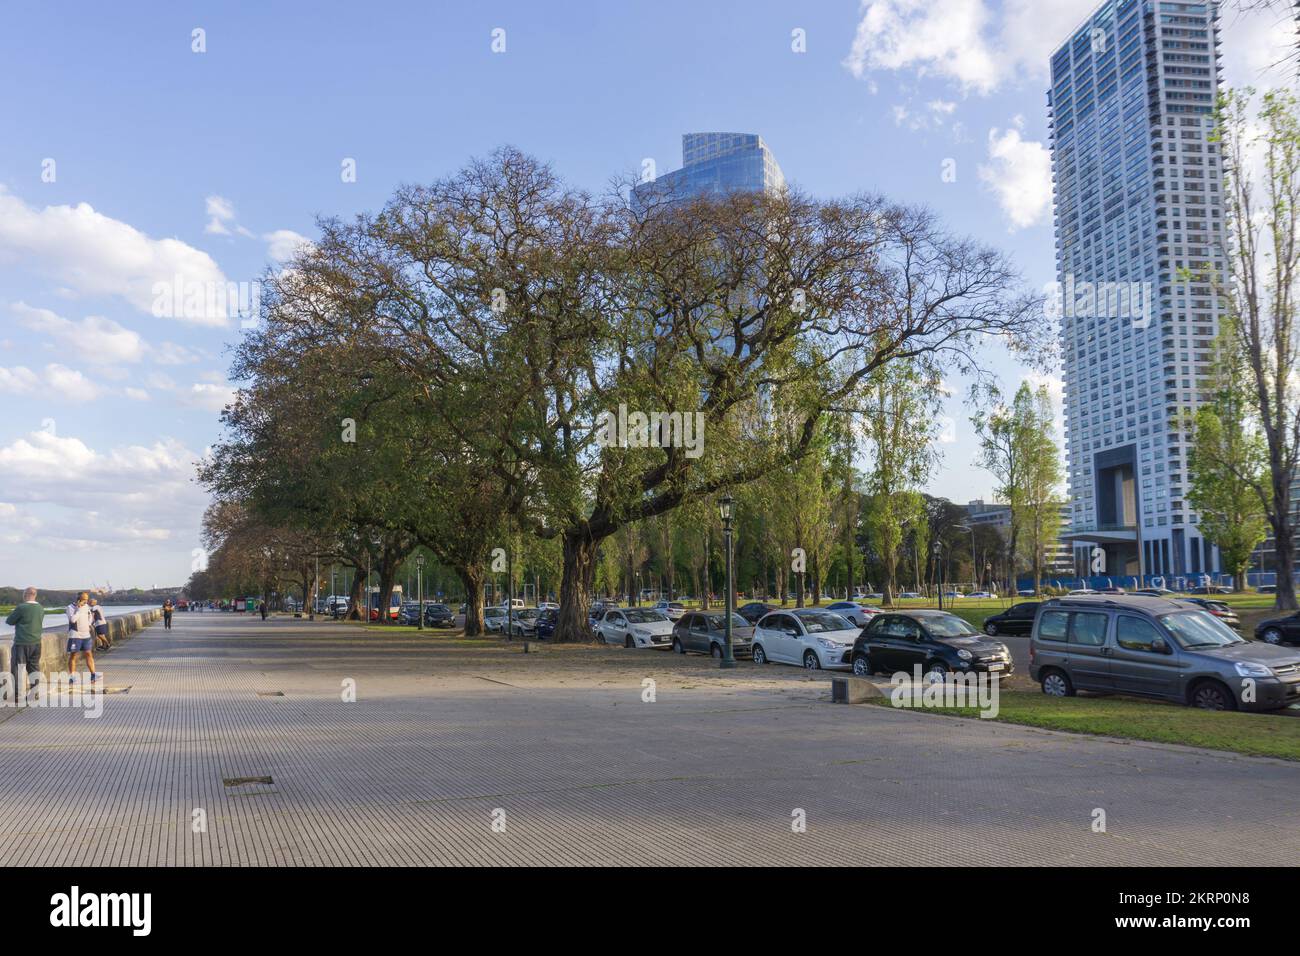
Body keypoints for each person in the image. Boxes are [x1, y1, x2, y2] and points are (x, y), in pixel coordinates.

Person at [5, 587, 44, 702]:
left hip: (22, 642)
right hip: (36, 642)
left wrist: (15, 615)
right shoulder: (40, 608)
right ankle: (34, 693)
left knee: (17, 669)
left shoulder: (21, 607)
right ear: (35, 595)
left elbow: (9, 621)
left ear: (25, 595)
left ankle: (17, 695)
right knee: (34, 668)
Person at [66, 592, 100, 686]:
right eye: (84, 599)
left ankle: (93, 675)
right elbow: (72, 620)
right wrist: (78, 609)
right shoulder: (70, 608)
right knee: (73, 655)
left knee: (89, 654)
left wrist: (89, 624)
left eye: (87, 599)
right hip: (75, 635)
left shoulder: (86, 607)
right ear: (78, 599)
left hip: (86, 635)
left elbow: (90, 616)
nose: (86, 601)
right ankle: (72, 677)